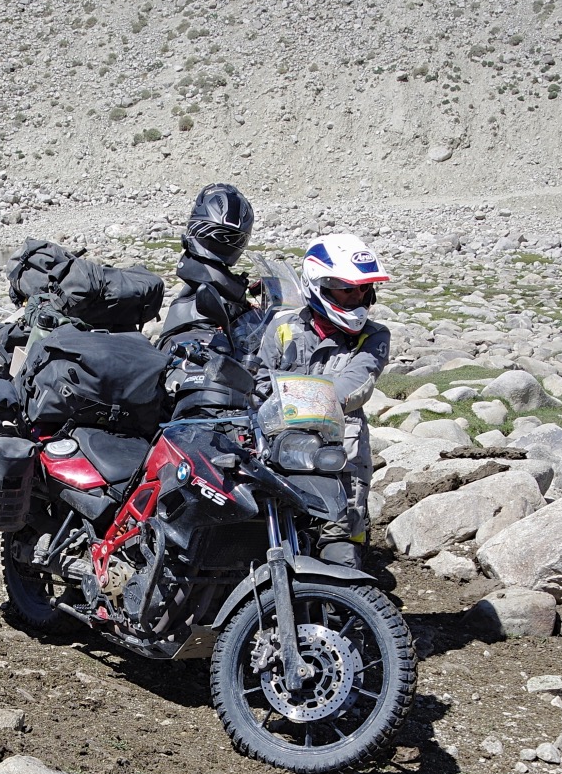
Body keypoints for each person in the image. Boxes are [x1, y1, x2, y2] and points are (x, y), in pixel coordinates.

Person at [254, 232, 392, 566]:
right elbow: (258, 382)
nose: (358, 297)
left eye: (364, 289)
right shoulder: (283, 327)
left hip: (341, 457)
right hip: (280, 449)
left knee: (340, 546)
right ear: (320, 286)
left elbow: (353, 385)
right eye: (347, 289)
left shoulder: (374, 336)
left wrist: (288, 399)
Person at [158, 183, 268, 359]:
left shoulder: (216, 278)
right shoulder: (200, 272)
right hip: (195, 343)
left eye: (232, 237)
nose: (225, 241)